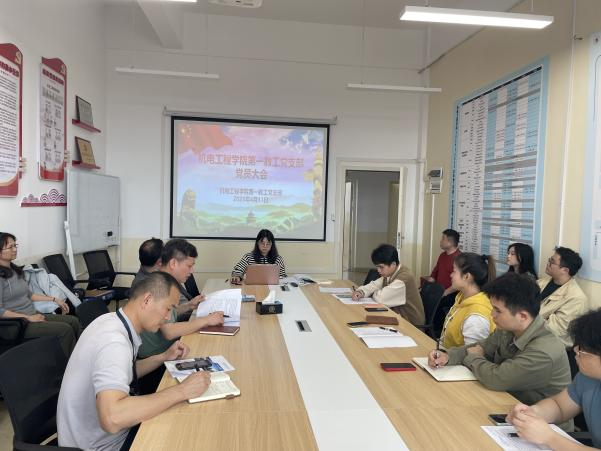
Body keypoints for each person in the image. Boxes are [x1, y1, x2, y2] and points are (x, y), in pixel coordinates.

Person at [57, 272, 212, 451]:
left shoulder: (111, 321)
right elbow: (112, 418)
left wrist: (162, 357)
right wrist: (182, 390)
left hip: (95, 435)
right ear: (147, 300)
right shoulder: (114, 342)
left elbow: (123, 371)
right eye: (168, 309)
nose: (168, 317)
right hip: (101, 445)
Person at [429, 273, 571, 407]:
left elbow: (496, 378)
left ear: (522, 316)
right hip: (506, 403)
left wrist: (474, 358)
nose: (492, 314)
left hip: (539, 419)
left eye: (498, 310)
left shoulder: (544, 351)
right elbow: (480, 347)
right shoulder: (509, 328)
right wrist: (447, 356)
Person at [508, 308, 601, 449]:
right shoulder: (587, 377)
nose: (575, 351)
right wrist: (532, 413)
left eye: (582, 349)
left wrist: (550, 438)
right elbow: (559, 406)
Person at [138, 239, 223, 360]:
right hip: (158, 355)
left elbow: (166, 316)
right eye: (189, 266)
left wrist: (188, 305)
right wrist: (207, 320)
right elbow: (169, 332)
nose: (192, 270)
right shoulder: (159, 285)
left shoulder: (164, 280)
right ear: (173, 263)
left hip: (168, 347)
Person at [0, 232, 80, 357]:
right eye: (10, 247)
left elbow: (28, 294)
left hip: (31, 316)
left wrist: (54, 299)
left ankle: (80, 358)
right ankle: (67, 366)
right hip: (16, 325)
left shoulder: (15, 270)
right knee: (65, 330)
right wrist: (27, 318)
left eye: (15, 245)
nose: (15, 249)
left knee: (73, 321)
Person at [351, 244, 425, 325]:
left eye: (381, 267)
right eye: (377, 267)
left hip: (410, 325)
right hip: (396, 317)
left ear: (393, 264)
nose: (378, 270)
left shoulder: (404, 278)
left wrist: (372, 293)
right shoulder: (390, 273)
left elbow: (381, 299)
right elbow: (374, 285)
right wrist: (361, 292)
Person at [439, 253, 496, 349]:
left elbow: (472, 355)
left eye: (454, 271)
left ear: (467, 276)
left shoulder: (477, 317)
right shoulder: (462, 297)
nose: (451, 275)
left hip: (454, 358)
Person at [537, 247, 590, 347]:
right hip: (529, 334)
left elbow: (555, 329)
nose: (548, 263)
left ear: (565, 270)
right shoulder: (542, 282)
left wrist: (524, 318)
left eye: (552, 262)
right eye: (549, 259)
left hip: (551, 345)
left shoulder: (576, 298)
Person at [426, 229, 461, 296]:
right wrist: (425, 288)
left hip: (450, 294)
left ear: (450, 242)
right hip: (438, 291)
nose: (440, 241)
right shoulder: (442, 255)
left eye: (443, 239)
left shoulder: (460, 258)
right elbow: (434, 275)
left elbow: (459, 283)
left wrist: (443, 294)